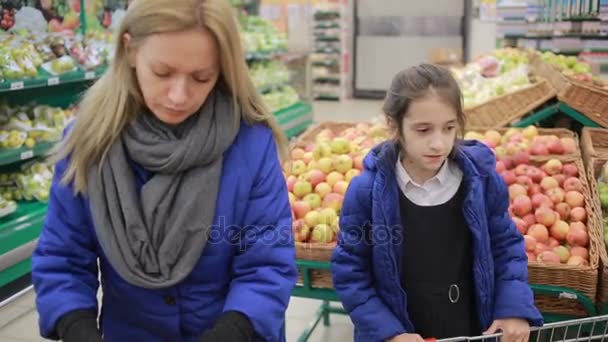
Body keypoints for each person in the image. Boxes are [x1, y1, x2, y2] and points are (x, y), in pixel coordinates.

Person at [31, 0, 297, 341]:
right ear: (129, 51)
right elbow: (63, 258)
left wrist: (235, 329)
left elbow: (268, 262)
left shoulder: (249, 143)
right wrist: (76, 326)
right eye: (162, 72)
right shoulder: (89, 142)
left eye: (202, 78)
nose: (178, 95)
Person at [330, 64, 543, 342]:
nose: (438, 144)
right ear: (394, 126)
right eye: (423, 130)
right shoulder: (366, 193)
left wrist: (513, 307)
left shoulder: (481, 181)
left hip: (471, 329)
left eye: (449, 128)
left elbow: (506, 247)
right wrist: (389, 333)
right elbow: (351, 272)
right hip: (402, 331)